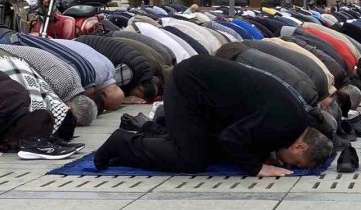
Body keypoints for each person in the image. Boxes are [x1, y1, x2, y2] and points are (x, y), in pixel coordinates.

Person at [94, 55, 334, 176]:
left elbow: (245, 132)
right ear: (300, 147)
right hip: (190, 86)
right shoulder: (285, 126)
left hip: (204, 89)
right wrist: (257, 168)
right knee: (190, 159)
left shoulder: (294, 121)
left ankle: (151, 132)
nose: (286, 165)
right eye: (295, 163)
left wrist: (262, 155)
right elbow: (232, 138)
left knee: (211, 152)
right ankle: (122, 143)